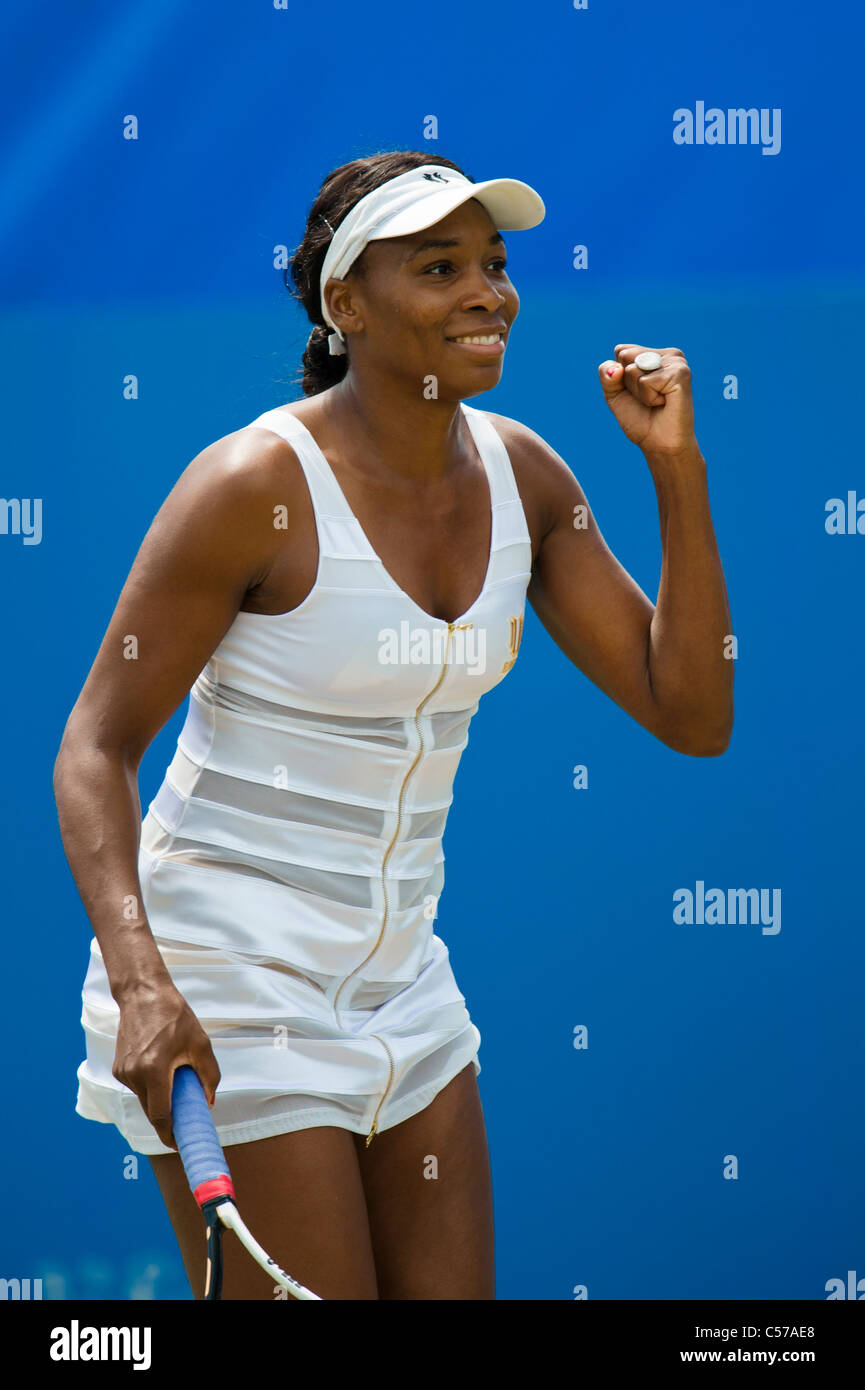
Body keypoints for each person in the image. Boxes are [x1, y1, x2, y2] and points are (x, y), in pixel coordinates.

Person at [53, 148, 734, 1301]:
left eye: (494, 263)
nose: (487, 291)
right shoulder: (250, 484)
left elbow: (693, 711)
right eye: (438, 266)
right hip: (228, 980)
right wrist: (143, 984)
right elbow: (93, 749)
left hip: (405, 987)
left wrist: (676, 471)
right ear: (347, 306)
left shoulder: (526, 476)